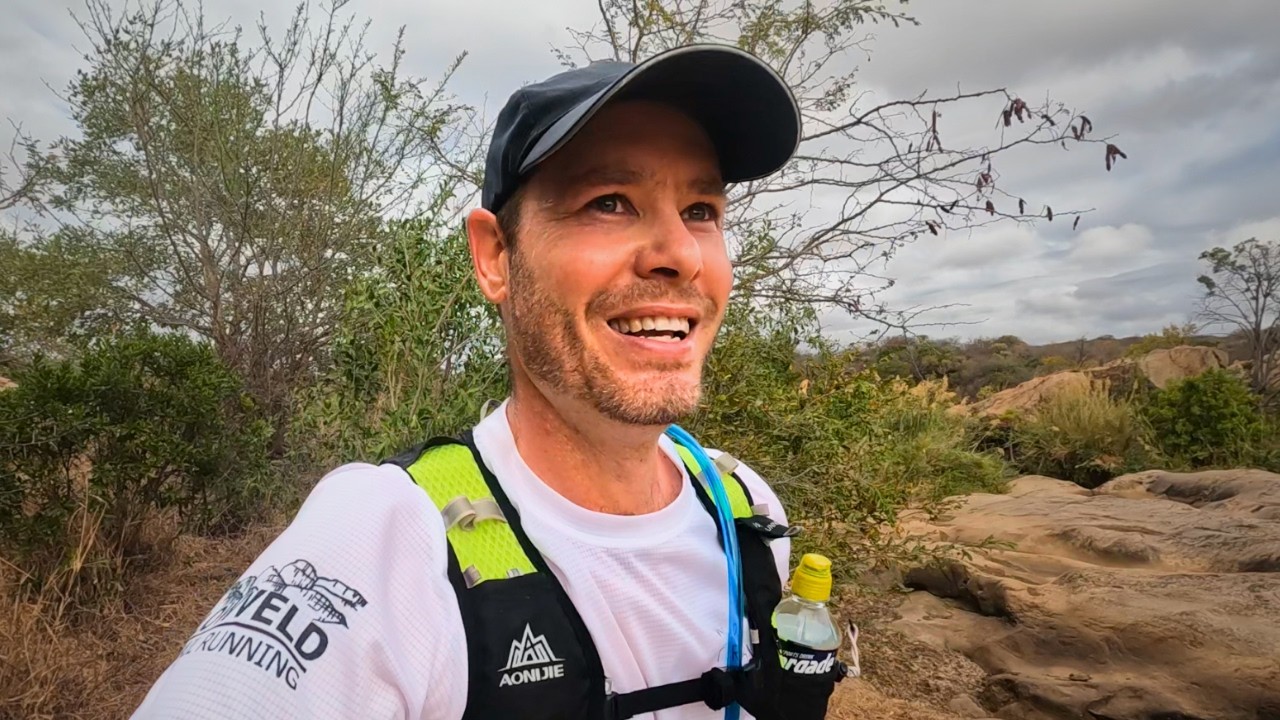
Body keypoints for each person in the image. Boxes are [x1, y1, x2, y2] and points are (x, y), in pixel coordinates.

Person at [132, 43, 830, 720]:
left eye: (701, 211)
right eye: (610, 202)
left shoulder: (744, 509)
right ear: (495, 256)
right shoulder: (385, 539)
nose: (680, 254)